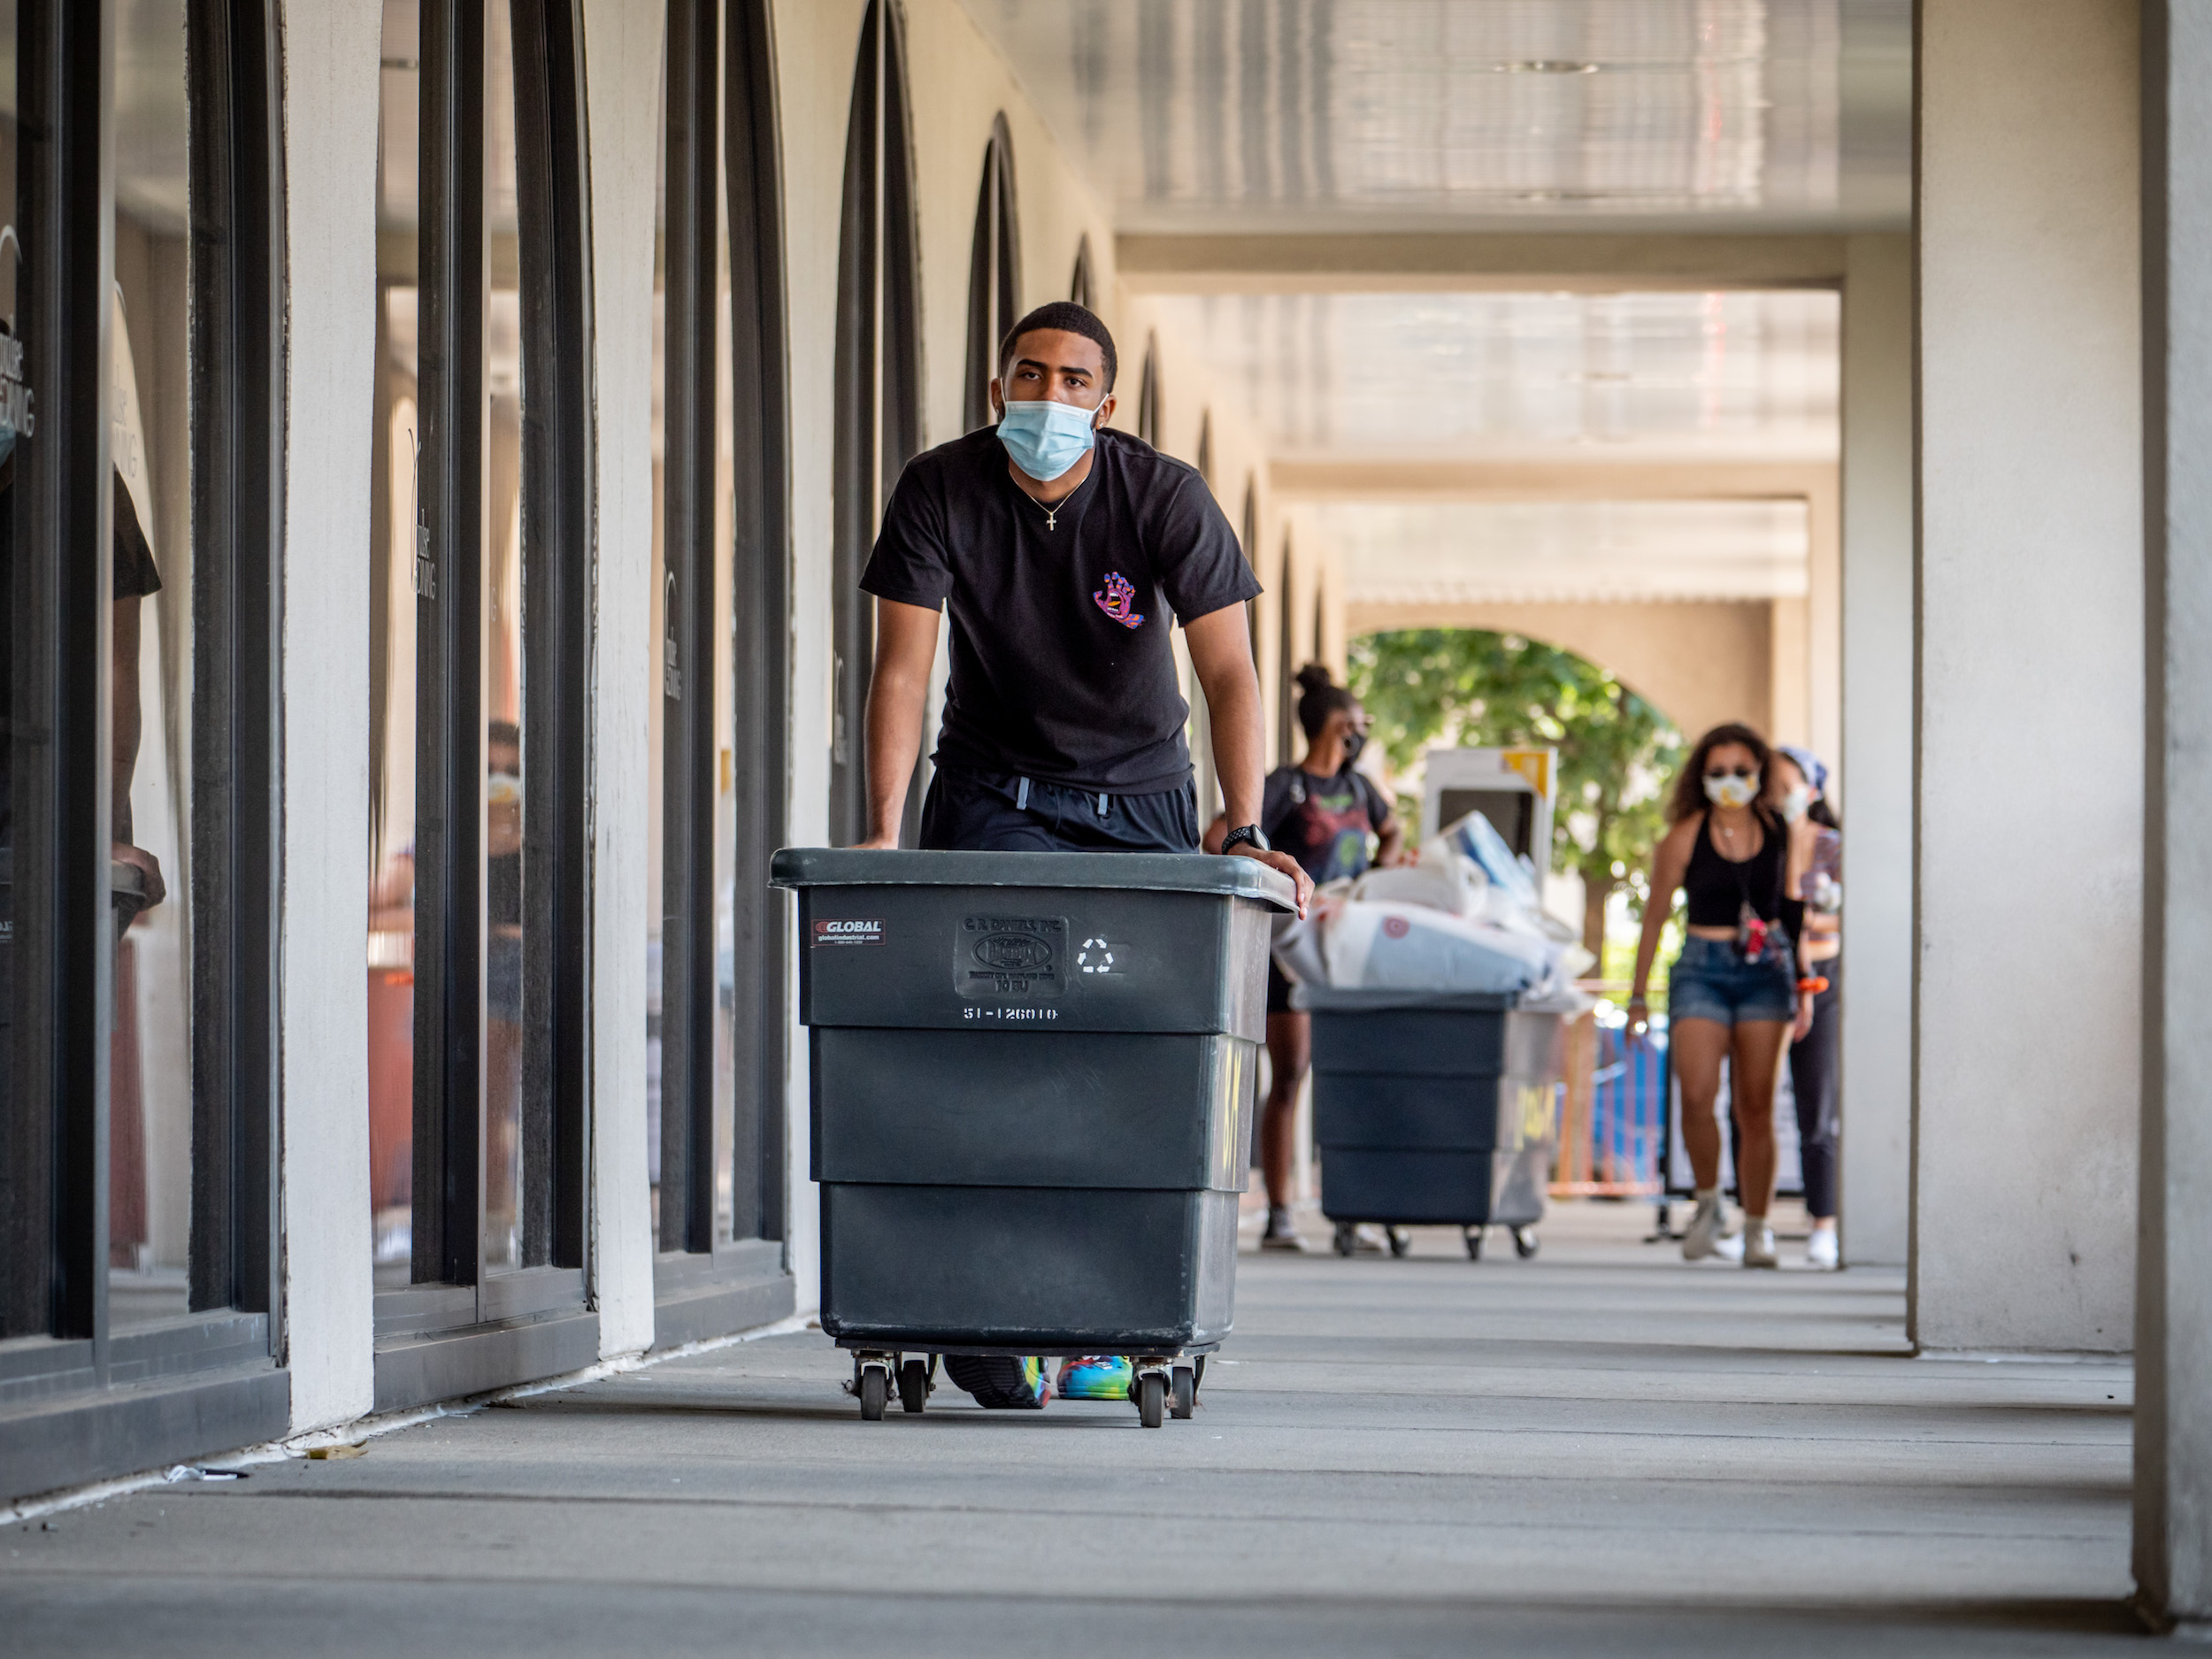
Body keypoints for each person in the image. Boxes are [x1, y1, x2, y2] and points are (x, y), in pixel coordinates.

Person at [856, 299, 1312, 1409]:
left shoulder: (1163, 495)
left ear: (1107, 406)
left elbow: (1231, 676)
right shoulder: (940, 486)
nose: (1047, 397)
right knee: (989, 1059)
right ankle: (983, 1317)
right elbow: (904, 672)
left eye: (1072, 381)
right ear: (995, 386)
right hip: (991, 795)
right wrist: (879, 827)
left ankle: (1105, 1317)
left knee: (1127, 1066)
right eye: (1028, 374)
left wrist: (1243, 822)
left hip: (1140, 802)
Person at [1203, 664, 1401, 1252]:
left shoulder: (1361, 788)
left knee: (1350, 1077)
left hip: (1348, 945)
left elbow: (1392, 832)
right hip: (1291, 950)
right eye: (1356, 724)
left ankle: (1353, 1208)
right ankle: (1281, 1212)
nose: (1361, 734)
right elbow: (1218, 835)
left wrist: (1379, 873)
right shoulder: (1287, 785)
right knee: (1288, 1075)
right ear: (1335, 725)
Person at [1627, 723, 1815, 1268]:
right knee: (1697, 1094)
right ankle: (1709, 1204)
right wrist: (1638, 997)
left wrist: (1804, 986)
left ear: (1759, 774)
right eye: (1717, 773)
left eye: (1741, 771)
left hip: (1767, 970)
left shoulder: (1783, 831)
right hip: (1700, 970)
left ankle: (1758, 1227)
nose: (1730, 782)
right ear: (1700, 777)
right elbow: (1655, 917)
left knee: (1755, 1105)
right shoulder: (1684, 836)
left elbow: (1795, 912)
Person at [1770, 744, 1841, 1269]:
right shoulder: (1758, 845)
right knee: (1749, 1103)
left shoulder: (1834, 847)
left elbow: (1843, 912)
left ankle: (1824, 1223)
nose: (1778, 791)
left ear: (1811, 790)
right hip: (1767, 976)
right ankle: (1754, 1220)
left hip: (1823, 978)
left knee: (1816, 1104)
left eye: (1787, 782)